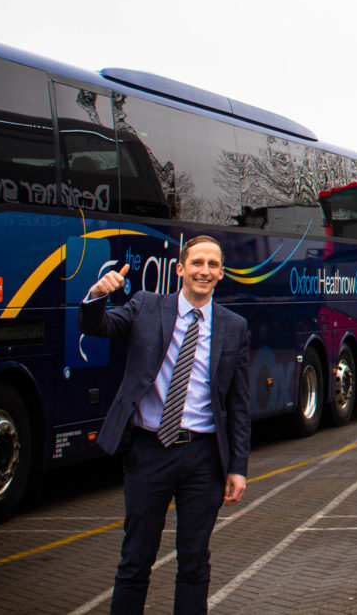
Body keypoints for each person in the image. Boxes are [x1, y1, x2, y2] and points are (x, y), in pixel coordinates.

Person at [81, 235, 251, 615]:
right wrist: (96, 295)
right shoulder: (146, 307)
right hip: (149, 451)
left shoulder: (234, 327)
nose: (204, 271)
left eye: (212, 265)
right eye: (197, 263)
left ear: (221, 273)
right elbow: (99, 326)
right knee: (135, 559)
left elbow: (238, 406)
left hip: (205, 458)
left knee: (194, 561)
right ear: (180, 269)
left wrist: (237, 467)